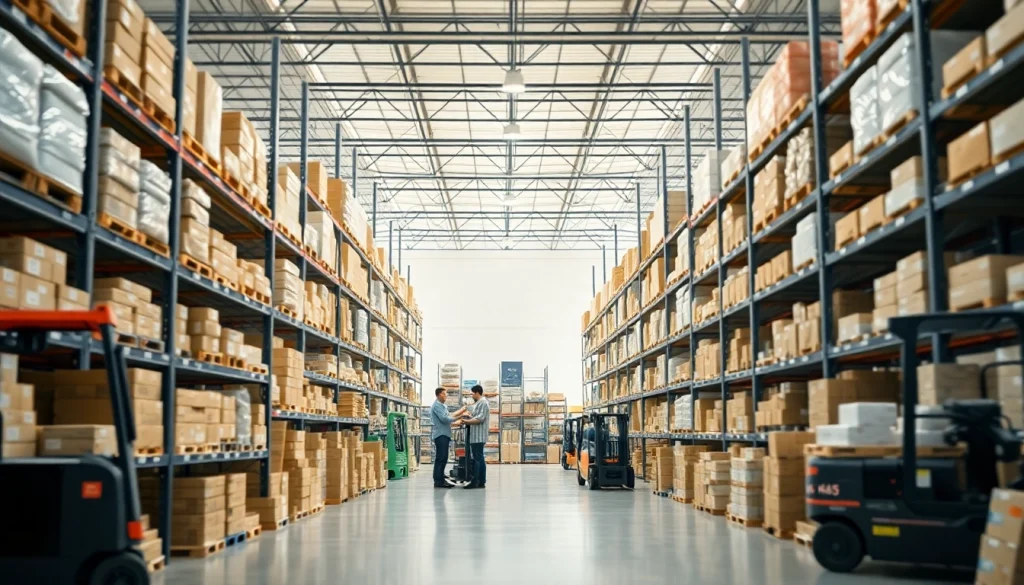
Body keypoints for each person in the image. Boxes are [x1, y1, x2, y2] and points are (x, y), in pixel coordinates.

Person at [430, 387, 466, 488]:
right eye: (444, 394)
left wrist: (461, 412)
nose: (446, 396)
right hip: (441, 435)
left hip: (445, 434)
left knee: (444, 457)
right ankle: (438, 481)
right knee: (441, 458)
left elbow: (449, 416)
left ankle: (441, 477)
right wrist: (460, 416)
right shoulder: (436, 406)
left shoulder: (442, 406)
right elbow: (445, 419)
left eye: (446, 394)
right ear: (438, 395)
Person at [458, 384, 490, 489]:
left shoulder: (483, 403)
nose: (472, 395)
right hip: (475, 436)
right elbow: (476, 417)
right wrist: (469, 417)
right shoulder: (479, 403)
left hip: (478, 436)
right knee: (478, 458)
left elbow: (480, 419)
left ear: (477, 393)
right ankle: (480, 481)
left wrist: (467, 421)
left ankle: (476, 481)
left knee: (477, 459)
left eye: (472, 393)